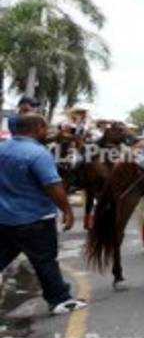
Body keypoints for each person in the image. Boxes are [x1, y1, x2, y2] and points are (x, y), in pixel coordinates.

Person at [0, 114, 87, 314]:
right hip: (35, 220)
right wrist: (67, 210)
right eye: (45, 128)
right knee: (45, 260)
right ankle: (59, 299)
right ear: (38, 128)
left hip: (4, 219)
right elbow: (53, 185)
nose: (47, 132)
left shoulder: (2, 148)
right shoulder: (38, 153)